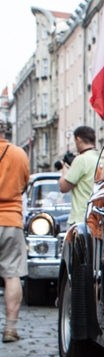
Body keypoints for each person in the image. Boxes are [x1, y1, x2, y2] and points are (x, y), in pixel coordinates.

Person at [0, 121, 31, 342]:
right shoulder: (19, 154)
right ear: (4, 131)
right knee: (12, 275)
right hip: (11, 219)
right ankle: (10, 328)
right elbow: (24, 184)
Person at [59, 126, 99, 226]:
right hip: (96, 217)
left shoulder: (81, 160)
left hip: (80, 218)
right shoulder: (100, 158)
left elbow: (63, 187)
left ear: (78, 139)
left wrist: (64, 168)